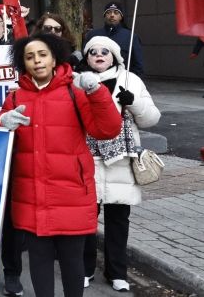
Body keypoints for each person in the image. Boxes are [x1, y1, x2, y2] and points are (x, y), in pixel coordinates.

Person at [0, 33, 121, 297]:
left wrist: (97, 92)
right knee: (39, 263)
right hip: (30, 195)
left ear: (54, 59)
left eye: (42, 55)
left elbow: (108, 129)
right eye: (29, 57)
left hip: (71, 193)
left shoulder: (76, 93)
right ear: (23, 63)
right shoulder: (16, 98)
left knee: (72, 262)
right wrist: (1, 122)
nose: (37, 61)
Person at [79, 36, 161, 292]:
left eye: (106, 51)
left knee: (118, 221)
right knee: (85, 220)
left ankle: (117, 272)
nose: (99, 55)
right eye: (93, 51)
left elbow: (151, 119)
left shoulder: (130, 80)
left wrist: (133, 101)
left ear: (115, 56)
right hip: (87, 158)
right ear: (87, 57)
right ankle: (85, 269)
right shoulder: (77, 82)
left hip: (121, 162)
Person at [84, 1, 144, 76]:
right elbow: (85, 60)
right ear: (104, 16)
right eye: (108, 12)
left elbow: (138, 65)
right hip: (97, 82)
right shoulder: (92, 35)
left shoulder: (131, 36)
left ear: (121, 17)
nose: (112, 15)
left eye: (116, 13)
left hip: (121, 81)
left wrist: (131, 82)